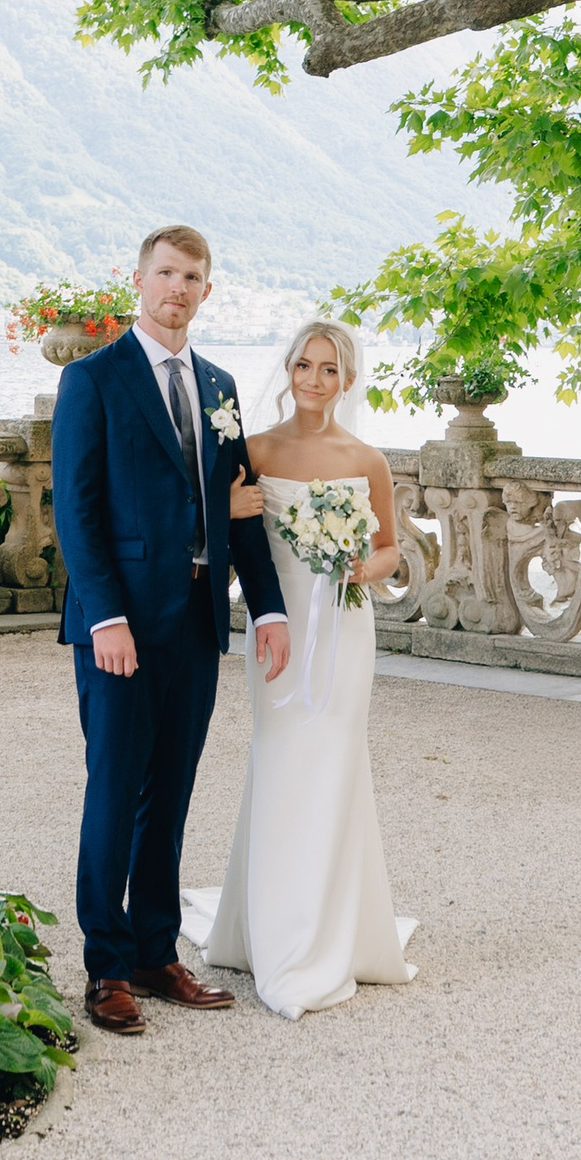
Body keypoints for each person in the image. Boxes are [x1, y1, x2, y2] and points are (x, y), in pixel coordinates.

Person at [52, 223, 291, 1037]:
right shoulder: (94, 379)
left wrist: (268, 607)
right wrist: (106, 617)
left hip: (195, 621)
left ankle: (157, 950)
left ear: (206, 290)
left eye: (191, 277)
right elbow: (77, 511)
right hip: (118, 625)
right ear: (140, 280)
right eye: (165, 273)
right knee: (115, 790)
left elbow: (240, 506)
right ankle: (107, 967)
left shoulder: (219, 386)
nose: (177, 288)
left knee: (173, 791)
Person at [183, 318, 417, 1020]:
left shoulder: (367, 460)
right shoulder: (254, 450)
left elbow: (390, 549)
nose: (314, 380)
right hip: (277, 628)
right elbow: (221, 535)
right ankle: (274, 929)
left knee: (337, 765)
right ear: (288, 370)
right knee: (281, 760)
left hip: (344, 628)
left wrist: (364, 568)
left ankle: (330, 931)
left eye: (329, 369)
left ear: (348, 380)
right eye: (304, 366)